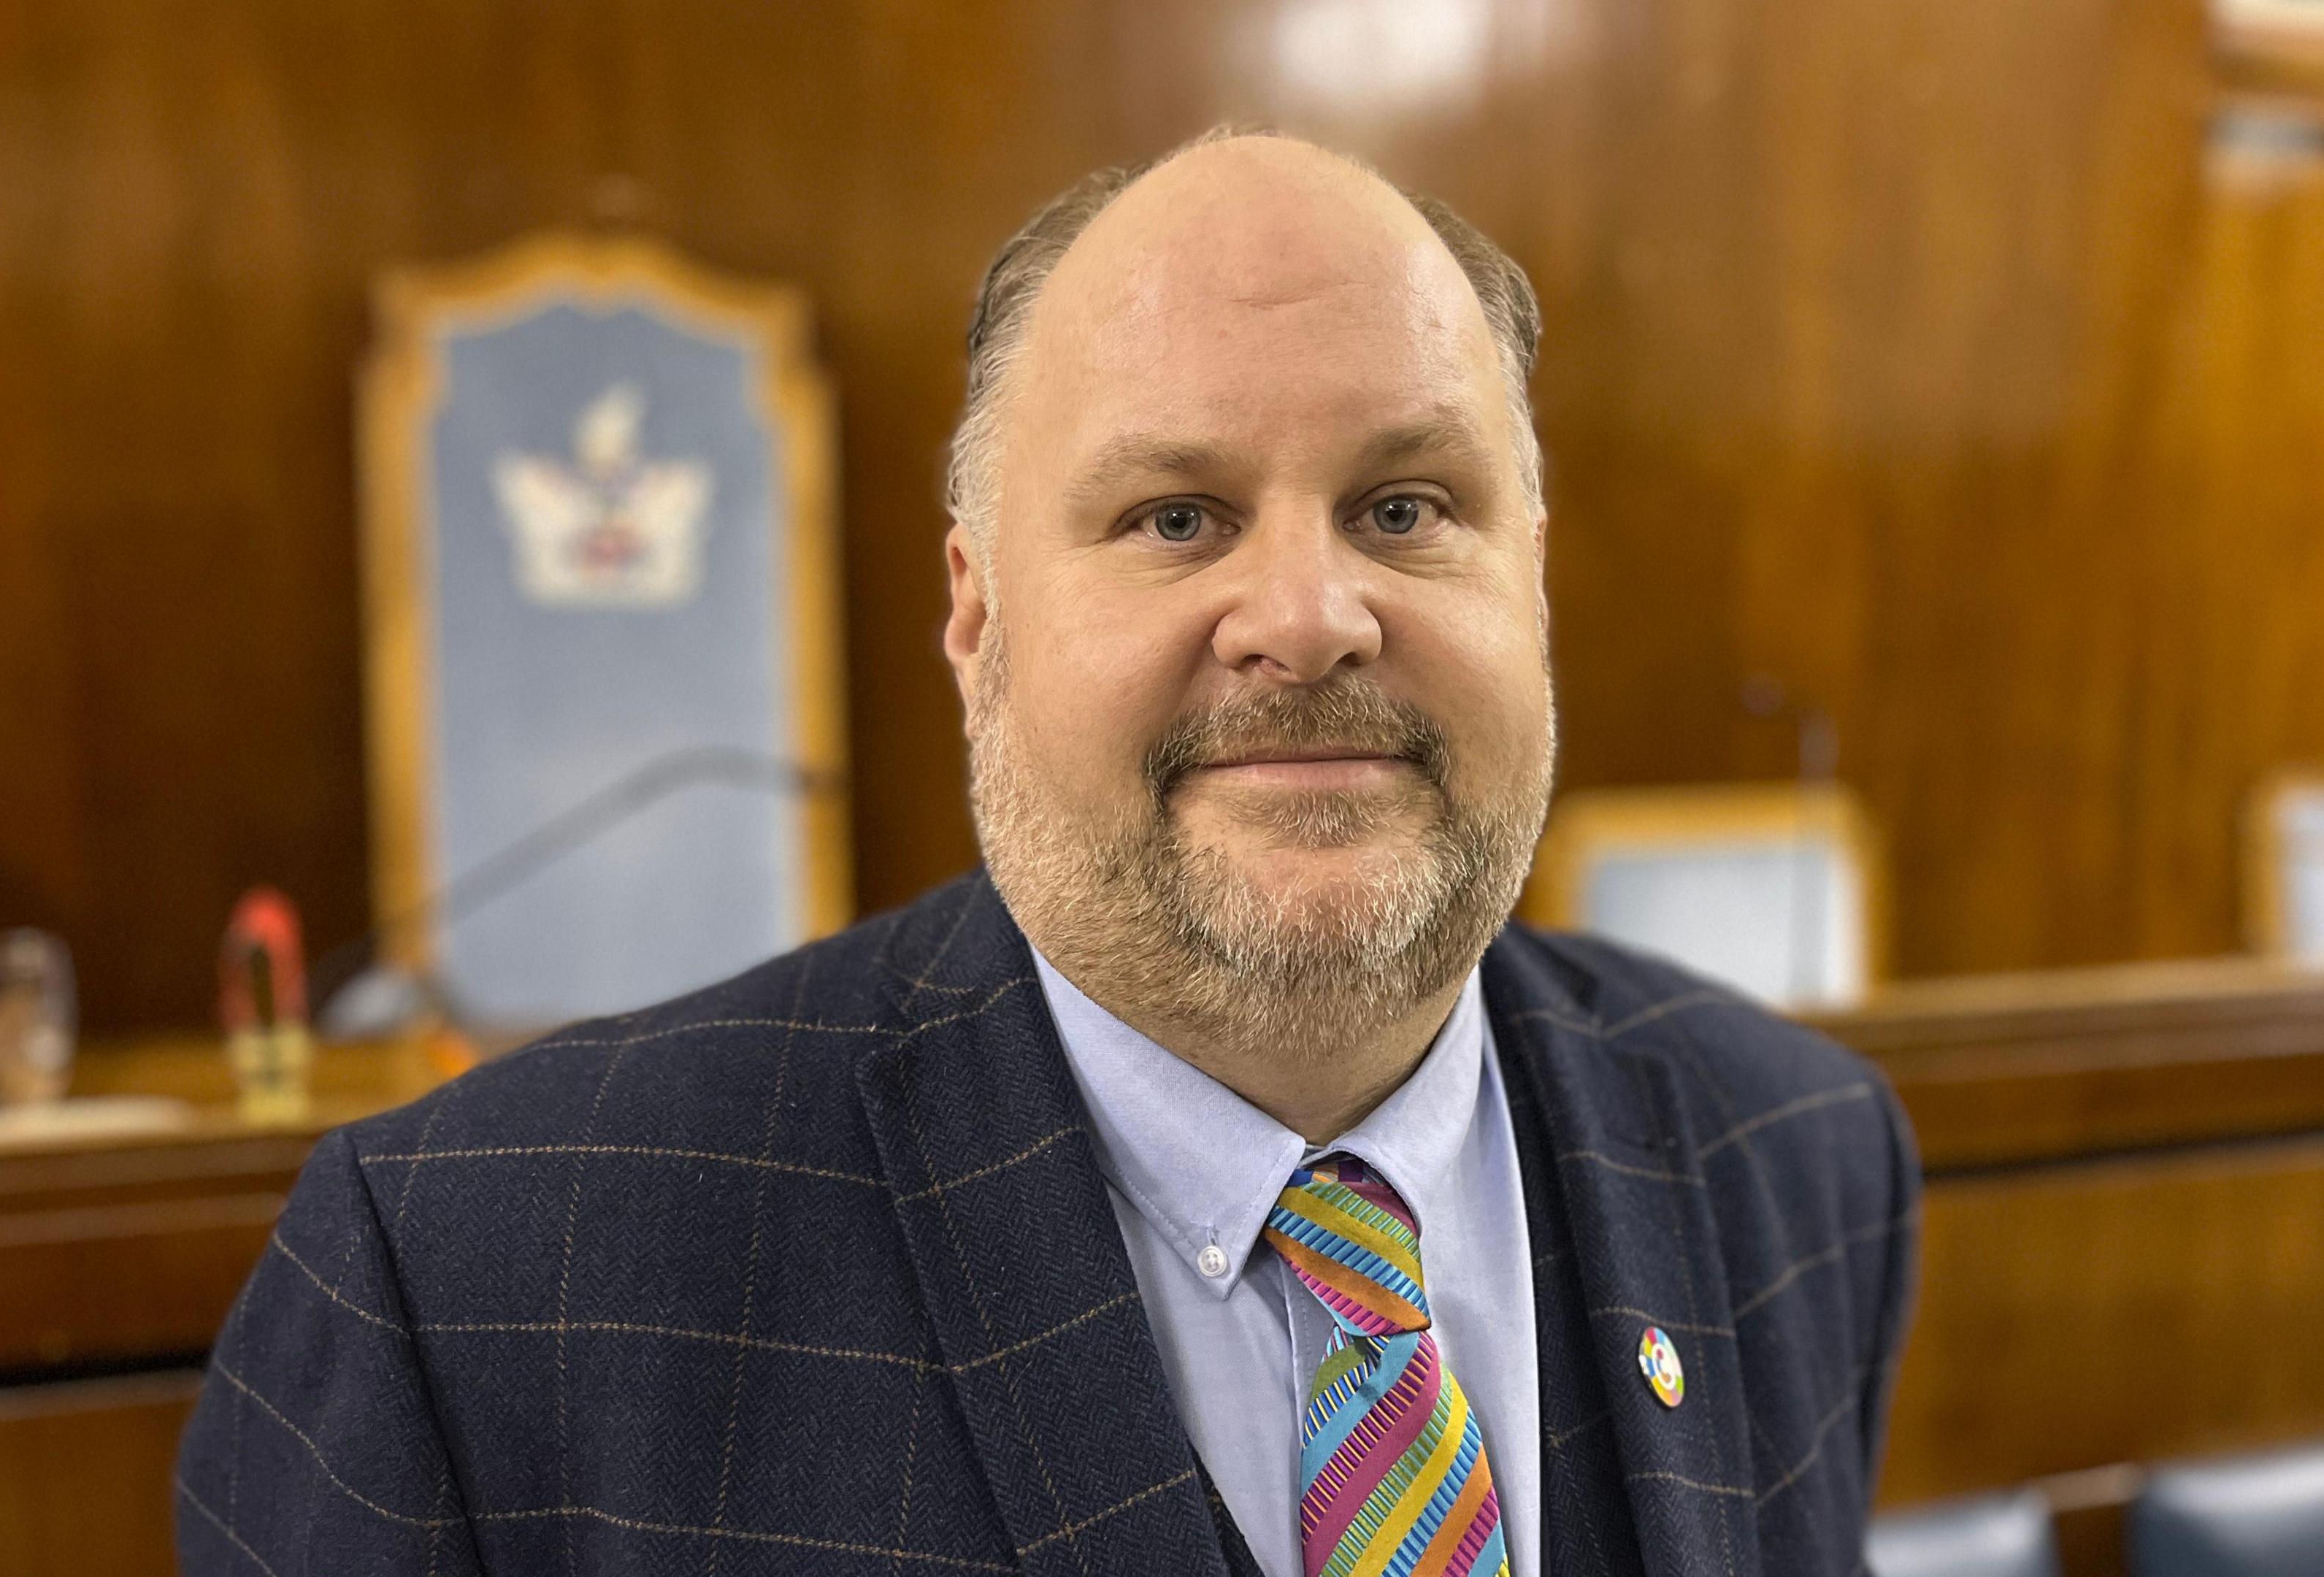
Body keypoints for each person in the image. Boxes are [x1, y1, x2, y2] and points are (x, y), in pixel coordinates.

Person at [177, 128, 1918, 1577]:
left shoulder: (1799, 1162)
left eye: (1404, 509)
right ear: (976, 613)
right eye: (1177, 517)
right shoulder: (476, 1296)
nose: (1308, 620)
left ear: (1529, 579)